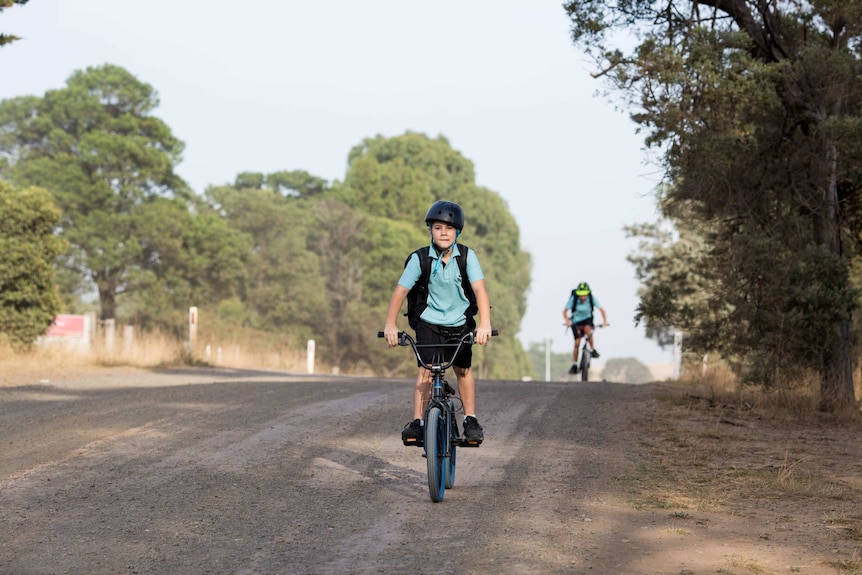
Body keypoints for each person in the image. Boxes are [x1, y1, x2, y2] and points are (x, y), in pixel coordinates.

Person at [383, 200, 493, 447]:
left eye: (450, 228)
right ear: (430, 230)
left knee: (462, 369)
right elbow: (400, 292)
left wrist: (484, 323)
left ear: (458, 232)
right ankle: (419, 422)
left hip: (460, 322)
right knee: (426, 369)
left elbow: (480, 289)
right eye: (438, 227)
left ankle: (471, 419)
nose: (444, 232)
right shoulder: (420, 258)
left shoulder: (467, 256)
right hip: (428, 321)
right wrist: (390, 325)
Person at [563, 281, 608, 375]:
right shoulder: (574, 299)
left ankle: (592, 350)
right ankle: (575, 364)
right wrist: (567, 321)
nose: (582, 297)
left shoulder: (591, 298)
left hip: (588, 319)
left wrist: (604, 321)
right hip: (576, 321)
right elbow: (565, 311)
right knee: (577, 343)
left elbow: (602, 310)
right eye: (580, 295)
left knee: (588, 331)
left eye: (584, 295)